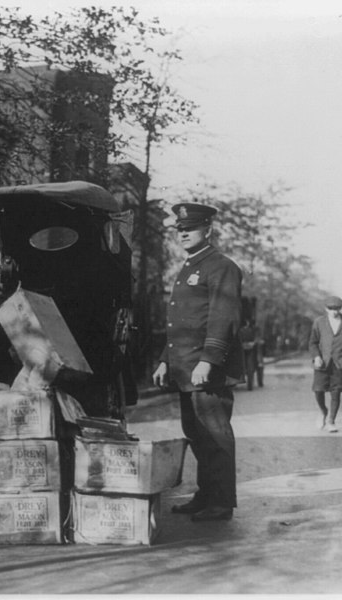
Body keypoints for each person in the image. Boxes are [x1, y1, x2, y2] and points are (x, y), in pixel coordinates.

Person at [153, 203, 243, 522]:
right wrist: (166, 360)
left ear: (208, 230)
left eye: (189, 228)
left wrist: (208, 360)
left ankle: (221, 502)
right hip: (186, 368)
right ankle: (206, 495)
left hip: (207, 371)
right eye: (180, 229)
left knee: (216, 435)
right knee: (197, 435)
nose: (183, 234)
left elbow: (224, 318)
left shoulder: (222, 267)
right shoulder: (190, 267)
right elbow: (181, 322)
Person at [307, 296, 342, 433]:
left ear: (340, 309)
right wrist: (316, 356)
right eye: (331, 309)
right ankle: (323, 411)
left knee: (336, 392)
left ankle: (331, 421)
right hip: (322, 362)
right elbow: (313, 342)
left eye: (337, 309)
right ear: (326, 309)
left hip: (340, 363)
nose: (334, 311)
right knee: (318, 390)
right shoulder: (319, 322)